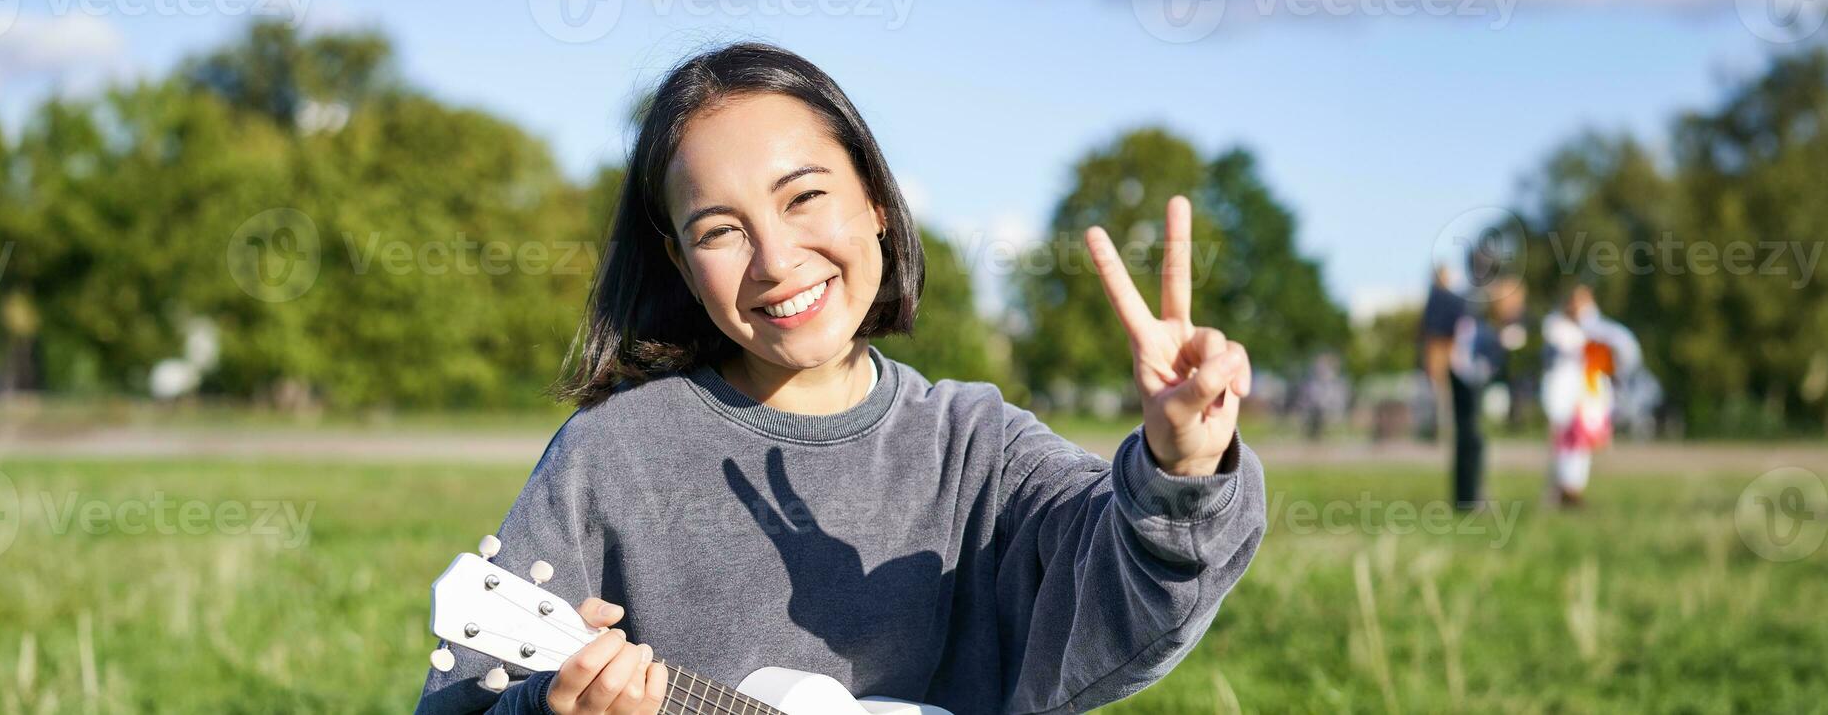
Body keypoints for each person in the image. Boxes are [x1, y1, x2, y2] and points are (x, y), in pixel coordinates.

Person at [415, 44, 1266, 715]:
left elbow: (1126, 600)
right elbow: (464, 701)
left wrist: (1181, 467)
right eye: (719, 230)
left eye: (804, 197)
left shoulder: (977, 448)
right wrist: (548, 709)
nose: (778, 262)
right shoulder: (611, 456)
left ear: (876, 202)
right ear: (678, 262)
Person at [1420, 261, 1521, 509]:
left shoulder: (1477, 304)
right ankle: (1468, 498)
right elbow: (1441, 340)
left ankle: (1471, 495)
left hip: (1475, 375)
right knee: (1470, 437)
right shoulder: (1463, 301)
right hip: (1464, 375)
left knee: (1473, 438)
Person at [1538, 286, 1640, 508]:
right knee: (1564, 446)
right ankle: (1563, 490)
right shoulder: (1558, 329)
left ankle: (1572, 490)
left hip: (1586, 397)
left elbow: (1619, 351)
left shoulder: (1595, 330)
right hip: (1565, 399)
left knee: (1580, 446)